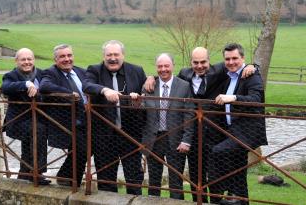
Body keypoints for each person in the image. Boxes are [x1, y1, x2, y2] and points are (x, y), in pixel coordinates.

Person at [144, 47, 256, 202]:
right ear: (191, 62)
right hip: (193, 134)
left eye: (203, 62)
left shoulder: (219, 71)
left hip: (216, 133)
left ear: (209, 61)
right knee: (196, 178)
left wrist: (252, 66)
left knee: (217, 175)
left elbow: (236, 64)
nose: (200, 66)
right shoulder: (185, 74)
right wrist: (151, 77)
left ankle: (217, 202)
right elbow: (168, 80)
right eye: (195, 62)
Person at [83, 40, 146, 195]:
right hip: (104, 136)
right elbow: (86, 85)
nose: (112, 58)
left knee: (134, 179)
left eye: (116, 54)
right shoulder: (95, 70)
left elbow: (147, 93)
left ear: (122, 55)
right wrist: (104, 90)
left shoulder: (137, 71)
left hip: (130, 135)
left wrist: (151, 79)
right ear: (104, 57)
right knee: (106, 180)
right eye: (109, 55)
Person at [210, 43, 267, 205]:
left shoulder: (251, 75)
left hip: (247, 132)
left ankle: (226, 192)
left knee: (217, 152)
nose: (231, 62)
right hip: (231, 131)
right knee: (239, 171)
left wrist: (234, 98)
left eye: (235, 58)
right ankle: (240, 198)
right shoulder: (229, 76)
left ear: (243, 58)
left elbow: (256, 100)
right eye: (227, 59)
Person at [131, 53, 194, 200]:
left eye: (166, 66)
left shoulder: (184, 86)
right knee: (154, 180)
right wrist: (136, 103)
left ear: (173, 66)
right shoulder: (149, 85)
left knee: (176, 181)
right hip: (154, 139)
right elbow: (142, 111)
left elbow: (189, 115)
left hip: (176, 139)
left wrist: (186, 140)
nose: (163, 69)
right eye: (160, 66)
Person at [39, 44, 87, 187]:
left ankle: (67, 177)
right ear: (55, 60)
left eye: (69, 55)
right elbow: (44, 87)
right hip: (66, 122)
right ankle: (71, 181)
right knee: (83, 148)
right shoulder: (50, 73)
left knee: (93, 146)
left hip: (89, 119)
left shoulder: (81, 71)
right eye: (62, 56)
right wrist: (69, 94)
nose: (67, 59)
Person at [1, 48, 50, 185]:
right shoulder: (11, 75)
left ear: (34, 60)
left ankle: (24, 175)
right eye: (23, 59)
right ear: (16, 61)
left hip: (38, 120)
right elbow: (5, 88)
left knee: (33, 138)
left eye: (29, 59)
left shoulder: (41, 73)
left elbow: (49, 86)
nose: (27, 62)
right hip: (17, 121)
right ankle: (37, 172)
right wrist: (26, 84)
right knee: (38, 130)